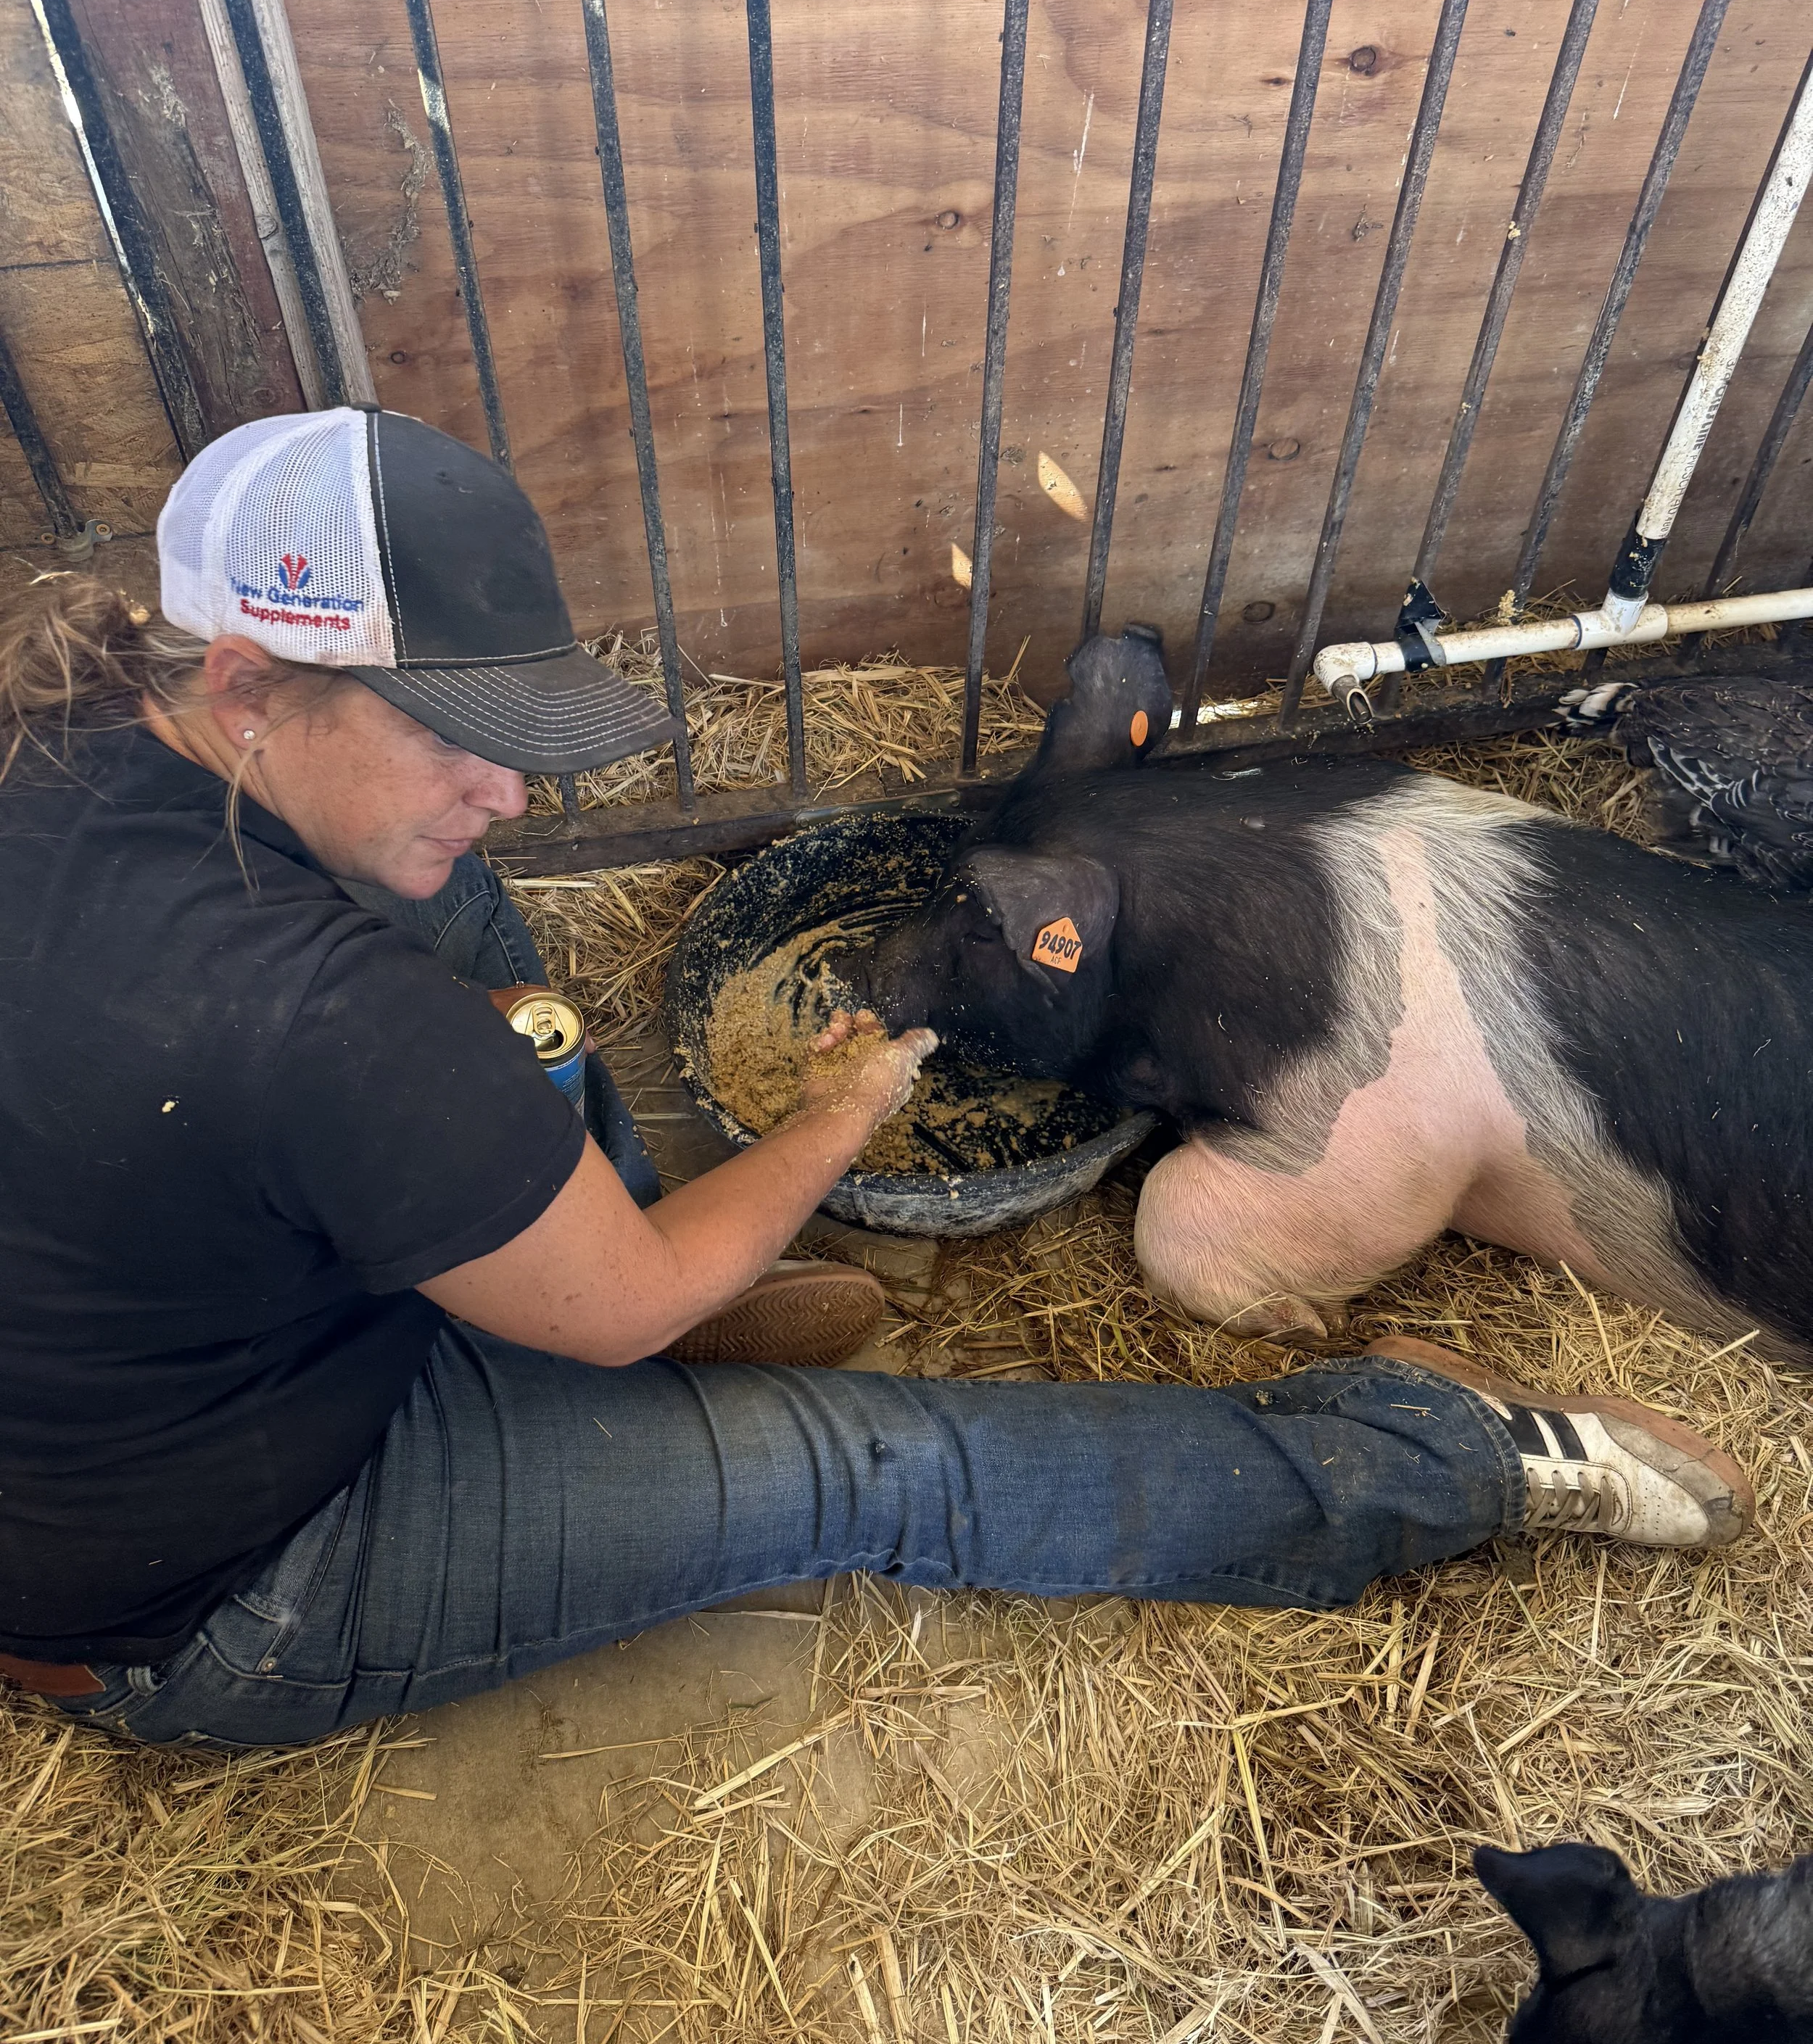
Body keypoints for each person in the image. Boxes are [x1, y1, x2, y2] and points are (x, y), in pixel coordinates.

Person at [0, 409, 1753, 1751]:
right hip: (219, 1590)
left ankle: (562, 1230)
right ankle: (1449, 1463)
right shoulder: (321, 1019)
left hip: (128, 1355)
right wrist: (835, 1115)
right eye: (456, 738)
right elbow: (614, 1303)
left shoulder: (73, 720)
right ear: (242, 678)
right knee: (881, 1467)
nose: (515, 793)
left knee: (448, 890)